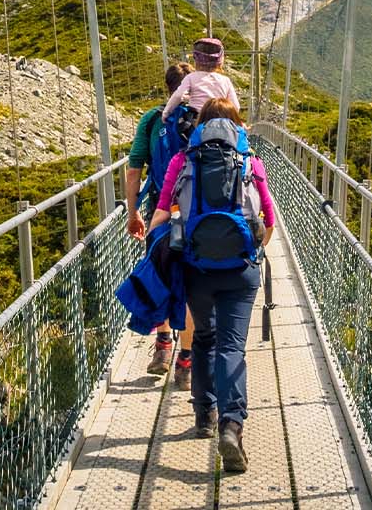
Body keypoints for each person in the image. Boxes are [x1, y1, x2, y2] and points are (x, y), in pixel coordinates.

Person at [146, 98, 275, 473]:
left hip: (196, 267)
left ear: (199, 127)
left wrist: (157, 250)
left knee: (203, 337)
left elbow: (160, 214)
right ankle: (231, 426)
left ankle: (203, 416)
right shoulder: (251, 162)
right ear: (236, 128)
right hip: (241, 269)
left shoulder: (181, 161)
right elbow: (269, 220)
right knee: (231, 345)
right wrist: (253, 253)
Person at [125, 63, 194, 379]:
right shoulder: (203, 118)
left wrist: (132, 212)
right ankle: (187, 359)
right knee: (194, 279)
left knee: (161, 271)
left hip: (160, 209)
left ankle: (163, 345)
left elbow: (134, 167)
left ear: (167, 87)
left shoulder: (153, 119)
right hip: (196, 211)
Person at [161, 38, 239, 120]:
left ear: (196, 58)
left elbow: (178, 95)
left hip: (197, 120)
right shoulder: (225, 80)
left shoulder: (191, 77)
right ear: (220, 60)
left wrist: (166, 113)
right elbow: (236, 106)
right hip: (219, 120)